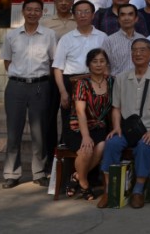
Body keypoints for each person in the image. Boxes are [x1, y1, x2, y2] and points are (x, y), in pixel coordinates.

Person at [98, 38, 150, 209]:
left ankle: (138, 190)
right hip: (127, 129)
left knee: (145, 144)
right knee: (112, 143)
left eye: (142, 50)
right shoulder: (122, 78)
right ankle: (109, 190)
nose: (138, 53)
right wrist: (116, 127)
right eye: (134, 50)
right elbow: (116, 108)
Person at [0, 0, 56, 189]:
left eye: (37, 10)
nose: (33, 13)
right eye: (29, 9)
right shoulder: (12, 35)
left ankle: (39, 172)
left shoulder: (49, 35)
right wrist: (20, 76)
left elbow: (53, 61)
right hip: (16, 87)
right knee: (13, 131)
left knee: (39, 132)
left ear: (42, 12)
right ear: (23, 11)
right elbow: (7, 61)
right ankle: (11, 173)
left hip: (40, 86)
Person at [53, 0, 108, 140]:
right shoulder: (66, 39)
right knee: (70, 120)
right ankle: (69, 148)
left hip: (96, 81)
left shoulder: (103, 37)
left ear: (93, 15)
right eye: (79, 12)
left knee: (96, 119)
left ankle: (96, 147)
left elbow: (107, 65)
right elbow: (58, 67)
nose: (83, 15)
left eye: (86, 12)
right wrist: (63, 92)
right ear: (74, 15)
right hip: (72, 82)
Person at [63, 48, 113, 201]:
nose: (98, 64)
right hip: (77, 128)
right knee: (86, 149)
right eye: (94, 61)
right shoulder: (82, 84)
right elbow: (80, 112)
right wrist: (85, 136)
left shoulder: (111, 82)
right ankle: (84, 183)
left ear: (106, 63)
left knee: (102, 146)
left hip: (99, 128)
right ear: (88, 64)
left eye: (102, 61)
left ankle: (76, 176)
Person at [42, 0, 76, 166]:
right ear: (55, 3)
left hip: (70, 76)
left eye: (67, 0)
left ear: (72, 3)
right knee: (49, 117)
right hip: (50, 75)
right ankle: (49, 156)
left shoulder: (78, 21)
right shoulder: (45, 23)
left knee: (69, 116)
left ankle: (65, 153)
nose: (64, 3)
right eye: (60, 0)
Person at [101, 3, 144, 75]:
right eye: (123, 15)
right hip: (117, 80)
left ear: (136, 19)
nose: (126, 18)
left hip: (140, 80)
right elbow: (105, 66)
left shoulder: (143, 40)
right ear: (118, 19)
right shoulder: (109, 41)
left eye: (130, 14)